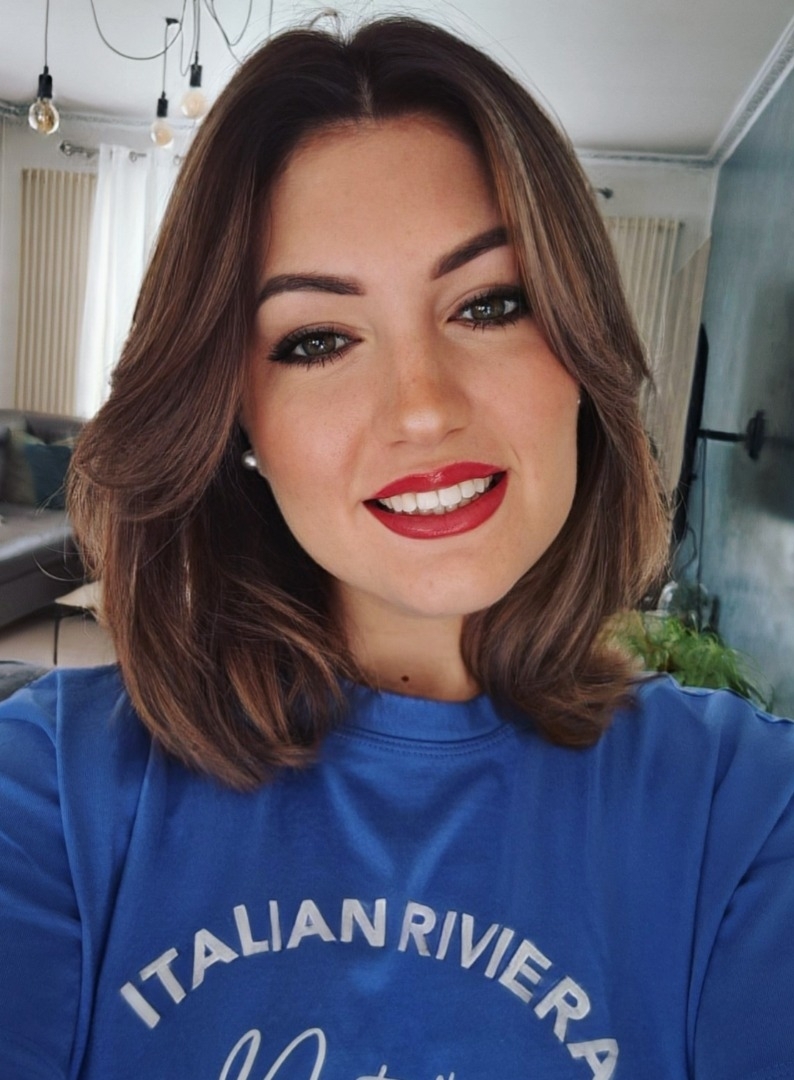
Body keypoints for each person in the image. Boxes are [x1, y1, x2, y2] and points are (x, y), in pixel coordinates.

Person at [1, 16, 792, 1080]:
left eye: (490, 304)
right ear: (236, 420)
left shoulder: (745, 813)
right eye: (318, 340)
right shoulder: (47, 790)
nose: (422, 408)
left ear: (581, 348)